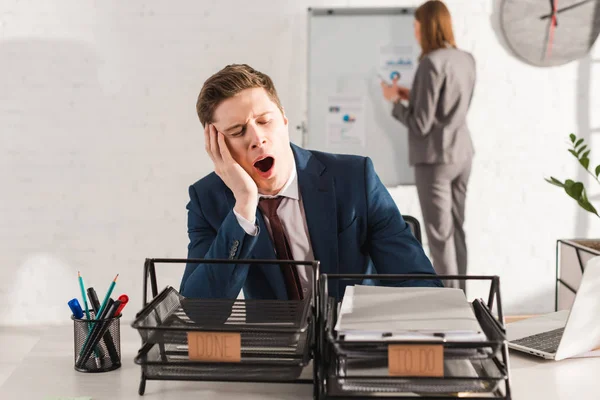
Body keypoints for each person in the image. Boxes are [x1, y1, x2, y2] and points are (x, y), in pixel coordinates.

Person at [180, 63, 441, 301]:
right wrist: (244, 207)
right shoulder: (207, 200)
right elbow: (200, 313)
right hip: (279, 349)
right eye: (237, 132)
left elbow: (420, 286)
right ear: (216, 145)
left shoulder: (354, 178)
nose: (257, 138)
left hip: (351, 343)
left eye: (264, 121)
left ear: (283, 119)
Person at [380, 0, 475, 291]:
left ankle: (449, 304)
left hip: (435, 159)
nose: (414, 31)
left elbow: (421, 124)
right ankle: (463, 297)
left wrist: (394, 100)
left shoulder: (430, 63)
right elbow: (446, 104)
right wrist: (411, 93)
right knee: (456, 230)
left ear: (427, 26)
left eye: (416, 25)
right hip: (462, 152)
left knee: (439, 235)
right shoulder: (465, 59)